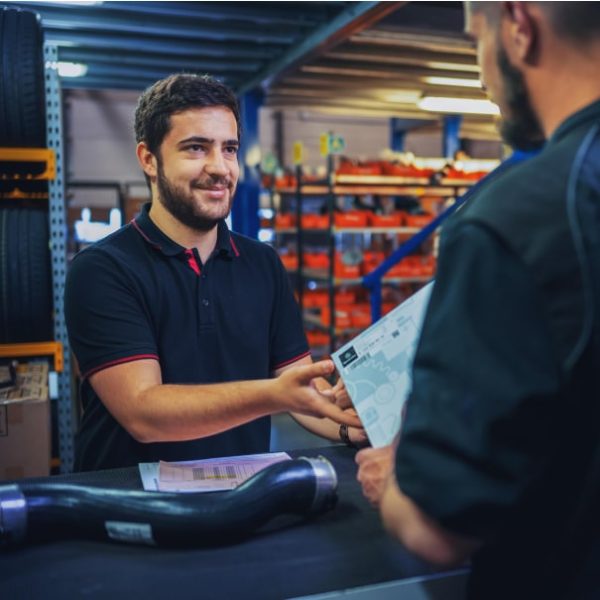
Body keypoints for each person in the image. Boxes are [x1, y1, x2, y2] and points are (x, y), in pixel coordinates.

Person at [355, 2, 600, 599]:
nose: (483, 75)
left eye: (474, 43)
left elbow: (438, 527)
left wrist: (394, 477)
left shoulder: (515, 218)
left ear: (518, 24)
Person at [65, 73, 363, 472]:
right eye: (196, 148)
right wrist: (276, 394)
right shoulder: (103, 270)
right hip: (133, 508)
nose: (220, 167)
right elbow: (144, 414)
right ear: (149, 159)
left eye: (229, 149)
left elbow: (299, 387)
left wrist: (346, 422)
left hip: (245, 499)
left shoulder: (263, 264)